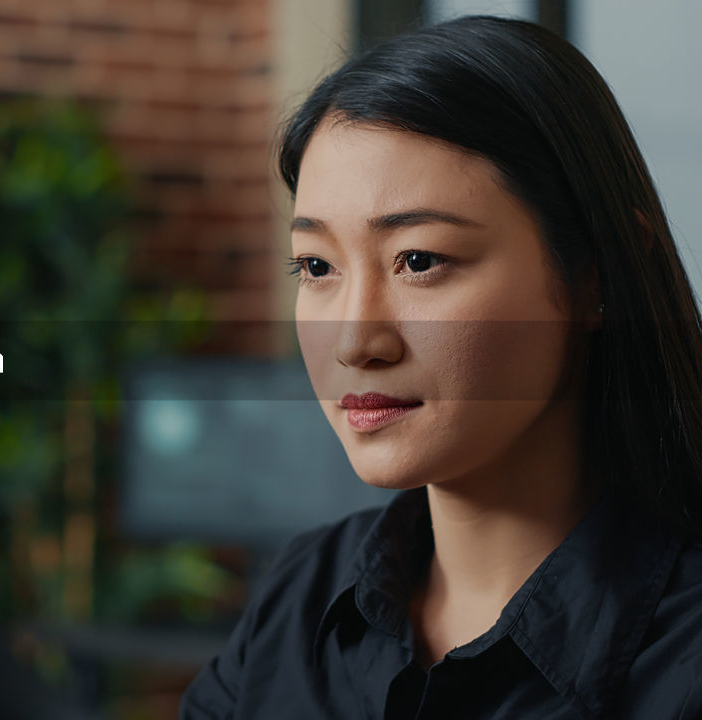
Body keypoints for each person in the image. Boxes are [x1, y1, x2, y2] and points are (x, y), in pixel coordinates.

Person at [179, 15, 702, 720]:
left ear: (599, 274)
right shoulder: (300, 598)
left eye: (419, 261)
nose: (356, 341)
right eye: (316, 266)